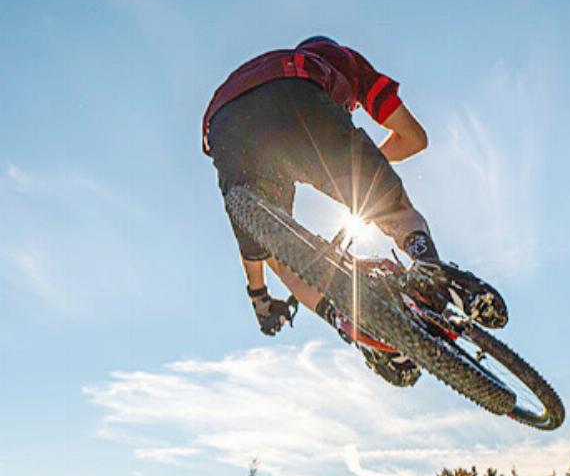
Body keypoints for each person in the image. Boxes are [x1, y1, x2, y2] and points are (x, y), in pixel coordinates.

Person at [203, 36, 507, 387]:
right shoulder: (342, 60)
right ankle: (429, 269)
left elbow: (249, 229)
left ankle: (346, 319)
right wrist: (364, 171)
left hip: (223, 123)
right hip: (295, 91)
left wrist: (259, 299)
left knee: (274, 248)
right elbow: (413, 137)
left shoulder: (270, 64)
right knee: (390, 205)